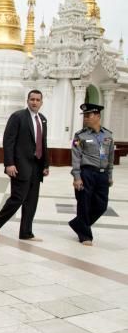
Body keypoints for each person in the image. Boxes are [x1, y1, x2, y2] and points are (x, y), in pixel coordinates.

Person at [0, 90, 49, 241]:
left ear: (41, 102)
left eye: (37, 100)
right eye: (32, 99)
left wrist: (45, 164)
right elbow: (8, 141)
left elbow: (43, 143)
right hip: (20, 165)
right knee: (17, 198)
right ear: (27, 101)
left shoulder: (42, 119)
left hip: (37, 167)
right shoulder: (18, 117)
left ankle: (26, 232)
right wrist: (9, 163)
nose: (34, 102)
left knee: (31, 201)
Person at [69, 103, 114, 246]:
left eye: (89, 115)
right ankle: (85, 236)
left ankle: (78, 224)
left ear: (98, 116)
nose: (86, 118)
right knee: (84, 204)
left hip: (102, 175)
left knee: (101, 205)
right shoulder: (80, 135)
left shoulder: (108, 135)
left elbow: (111, 156)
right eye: (85, 116)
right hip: (86, 173)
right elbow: (76, 157)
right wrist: (77, 177)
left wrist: (110, 175)